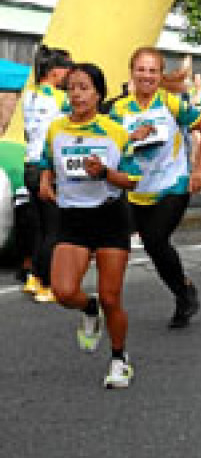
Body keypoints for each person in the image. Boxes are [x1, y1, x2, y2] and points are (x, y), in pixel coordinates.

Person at [40, 63, 142, 388]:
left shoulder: (114, 131)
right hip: (72, 217)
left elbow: (132, 179)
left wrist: (105, 173)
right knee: (63, 291)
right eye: (71, 88)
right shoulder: (56, 129)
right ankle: (89, 307)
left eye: (84, 88)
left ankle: (119, 359)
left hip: (109, 216)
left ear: (98, 94)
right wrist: (45, 181)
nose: (77, 94)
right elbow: (46, 161)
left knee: (112, 298)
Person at [109, 47, 201, 328]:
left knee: (155, 240)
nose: (146, 76)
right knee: (145, 246)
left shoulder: (171, 103)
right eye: (141, 70)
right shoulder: (119, 109)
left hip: (172, 185)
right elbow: (109, 147)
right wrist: (130, 138)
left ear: (159, 75)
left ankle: (183, 295)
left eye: (152, 71)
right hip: (136, 189)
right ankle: (183, 288)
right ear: (132, 72)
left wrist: (199, 169)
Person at [20, 45, 72, 303]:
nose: (71, 76)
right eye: (68, 69)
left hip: (29, 165)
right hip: (48, 168)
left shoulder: (29, 95)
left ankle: (34, 278)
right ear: (54, 72)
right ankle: (47, 284)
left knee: (40, 228)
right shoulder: (60, 99)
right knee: (54, 230)